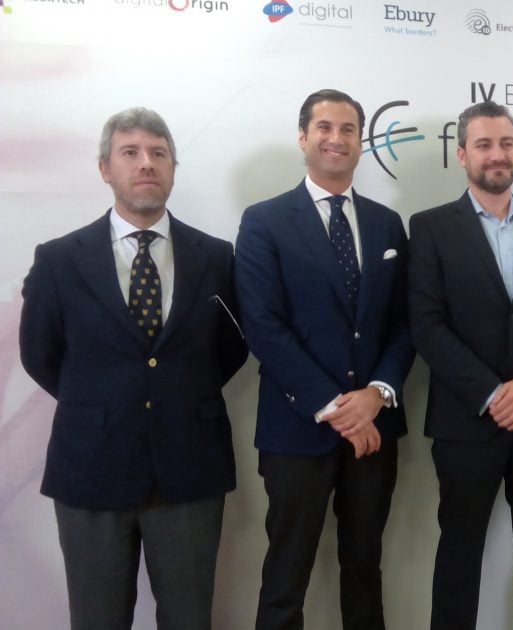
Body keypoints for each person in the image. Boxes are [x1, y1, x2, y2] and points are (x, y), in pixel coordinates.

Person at [19, 107, 248, 630]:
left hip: (190, 467)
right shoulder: (59, 259)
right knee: (98, 618)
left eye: (159, 154)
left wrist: (175, 396)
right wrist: (102, 401)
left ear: (172, 167)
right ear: (105, 169)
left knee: (189, 618)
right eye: (131, 153)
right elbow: (40, 354)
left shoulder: (216, 256)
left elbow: (232, 347)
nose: (147, 164)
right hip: (90, 469)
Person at [235, 89, 414, 630]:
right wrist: (336, 406)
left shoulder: (387, 224)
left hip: (374, 429)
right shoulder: (264, 221)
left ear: (362, 140)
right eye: (324, 127)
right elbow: (263, 326)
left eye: (348, 129)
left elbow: (406, 324)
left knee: (365, 566)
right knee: (287, 572)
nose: (336, 139)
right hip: (297, 429)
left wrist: (377, 395)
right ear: (303, 137)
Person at [408, 100, 513, 630]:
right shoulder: (431, 227)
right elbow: (427, 325)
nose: (497, 154)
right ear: (461, 154)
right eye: (483, 144)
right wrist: (491, 393)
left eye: (506, 143)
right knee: (459, 555)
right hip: (467, 422)